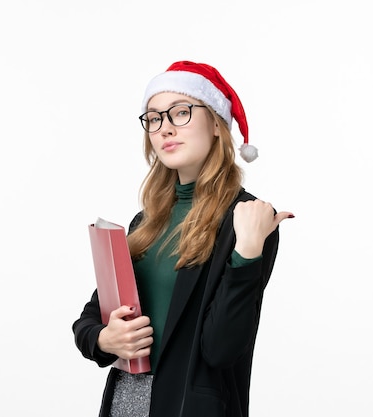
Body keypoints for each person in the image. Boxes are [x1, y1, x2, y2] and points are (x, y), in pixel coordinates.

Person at [72, 60, 294, 417]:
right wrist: (103, 338)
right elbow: (89, 319)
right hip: (126, 403)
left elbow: (222, 350)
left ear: (217, 125)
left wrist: (247, 254)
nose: (164, 129)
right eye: (154, 118)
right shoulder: (145, 222)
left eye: (180, 112)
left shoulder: (248, 219)